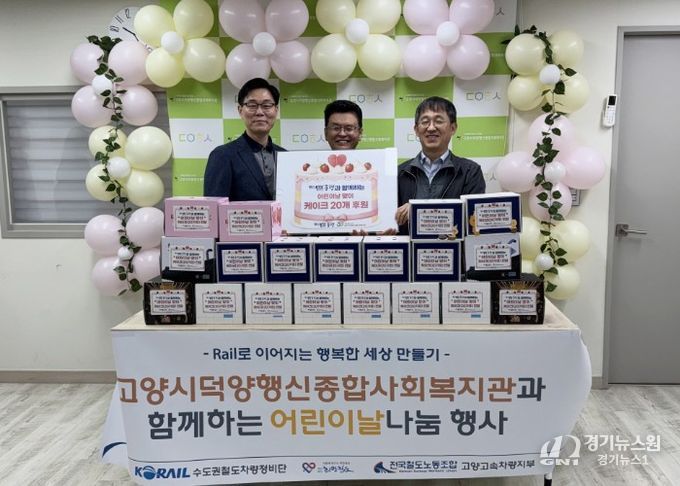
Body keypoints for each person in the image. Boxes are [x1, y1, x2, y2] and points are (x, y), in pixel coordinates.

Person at [395, 96, 486, 232]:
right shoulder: (400, 172)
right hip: (409, 246)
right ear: (416, 130)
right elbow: (391, 219)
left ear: (453, 128)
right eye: (425, 122)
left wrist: (417, 210)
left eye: (438, 121)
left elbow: (473, 220)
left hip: (452, 245)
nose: (431, 128)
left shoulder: (470, 171)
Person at [203, 78, 285, 200]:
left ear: (276, 110)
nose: (259, 112)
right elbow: (214, 207)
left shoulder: (285, 156)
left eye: (267, 105)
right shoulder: (222, 155)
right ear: (240, 111)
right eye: (252, 105)